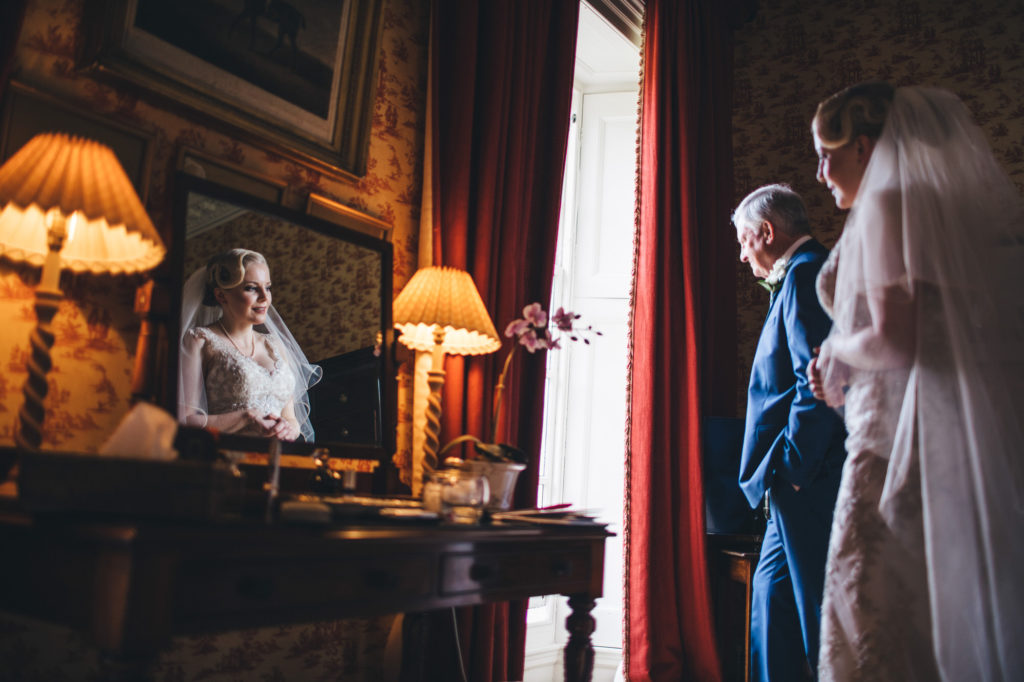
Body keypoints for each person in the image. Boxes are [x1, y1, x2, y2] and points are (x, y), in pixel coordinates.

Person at [809, 82, 1024, 681]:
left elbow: (895, 338)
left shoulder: (885, 206)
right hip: (951, 439)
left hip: (890, 448)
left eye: (830, 152)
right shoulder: (947, 209)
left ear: (866, 147)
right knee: (928, 611)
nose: (821, 170)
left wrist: (834, 350)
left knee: (870, 611)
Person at [733, 184, 847, 681]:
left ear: (766, 232)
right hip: (792, 479)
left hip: (808, 476)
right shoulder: (808, 272)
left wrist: (795, 469)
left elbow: (814, 381)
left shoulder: (805, 277)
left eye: (743, 241)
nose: (742, 254)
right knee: (771, 601)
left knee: (817, 610)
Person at [178, 248, 321, 442]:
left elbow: (291, 419)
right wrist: (246, 417)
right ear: (221, 296)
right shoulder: (200, 341)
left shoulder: (275, 346)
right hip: (229, 457)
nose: (264, 297)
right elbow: (184, 419)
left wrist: (289, 430)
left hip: (277, 457)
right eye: (252, 288)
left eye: (268, 287)